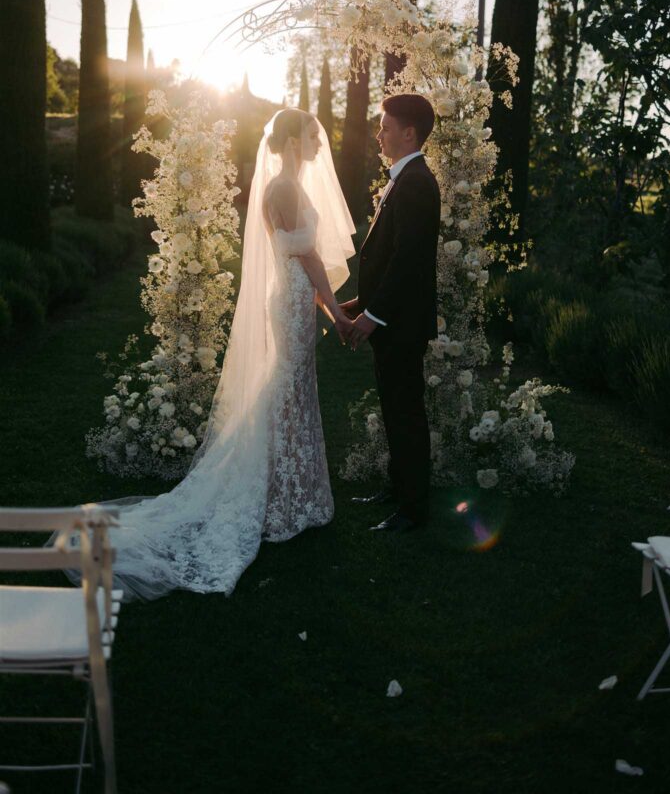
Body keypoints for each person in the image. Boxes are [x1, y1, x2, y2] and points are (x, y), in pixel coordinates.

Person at [56, 109, 356, 602]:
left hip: (297, 297)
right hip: (295, 296)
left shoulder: (287, 187)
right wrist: (337, 314)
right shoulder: (285, 189)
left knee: (292, 387)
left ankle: (289, 494)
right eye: (313, 137)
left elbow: (308, 260)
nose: (320, 145)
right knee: (288, 387)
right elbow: (309, 256)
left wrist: (325, 306)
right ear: (293, 142)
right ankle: (278, 497)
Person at [342, 93, 441, 533]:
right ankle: (398, 488)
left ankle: (413, 509)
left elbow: (408, 261)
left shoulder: (417, 182)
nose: (379, 134)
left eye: (385, 127)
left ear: (408, 133)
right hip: (390, 320)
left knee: (405, 414)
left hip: (399, 324)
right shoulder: (403, 179)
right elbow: (386, 258)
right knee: (394, 409)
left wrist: (372, 316)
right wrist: (357, 305)